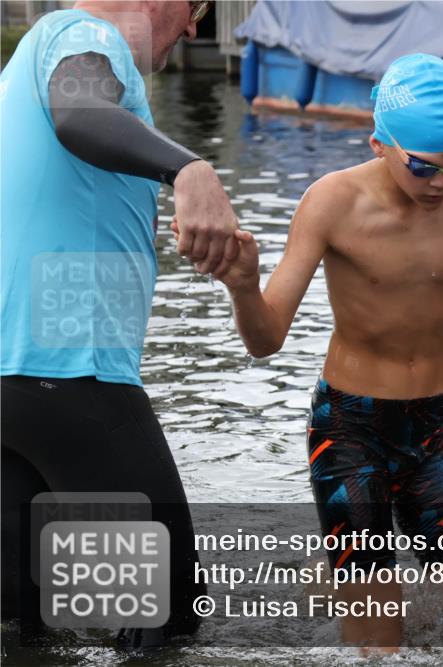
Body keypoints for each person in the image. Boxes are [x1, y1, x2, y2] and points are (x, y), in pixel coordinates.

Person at [200, 53, 443, 653]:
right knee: (380, 643)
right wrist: (244, 287)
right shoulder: (332, 202)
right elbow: (266, 340)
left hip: (433, 427)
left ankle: (337, 568)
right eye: (424, 167)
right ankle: (343, 567)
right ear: (379, 144)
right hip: (349, 430)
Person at [0, 0, 238, 647]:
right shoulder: (85, 37)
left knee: (24, 629)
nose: (194, 26)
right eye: (196, 5)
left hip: (14, 391)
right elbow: (80, 112)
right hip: (70, 377)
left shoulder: (25, 60)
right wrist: (189, 168)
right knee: (166, 618)